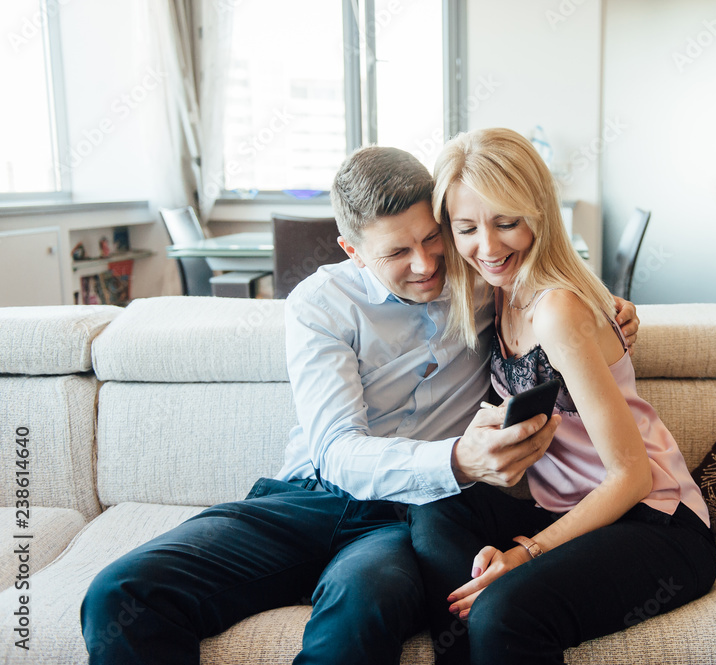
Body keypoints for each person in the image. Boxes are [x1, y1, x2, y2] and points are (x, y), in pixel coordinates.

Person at [81, 145, 638, 665]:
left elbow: (552, 289)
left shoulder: (479, 276)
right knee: (119, 594)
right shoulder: (320, 305)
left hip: (407, 518)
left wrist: (611, 306)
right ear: (353, 251)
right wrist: (458, 462)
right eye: (396, 251)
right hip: (307, 499)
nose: (425, 265)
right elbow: (336, 451)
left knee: (361, 612)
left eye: (431, 239)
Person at [408, 128, 716, 665]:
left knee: (508, 613)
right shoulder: (492, 294)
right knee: (434, 508)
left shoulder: (557, 311)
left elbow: (632, 477)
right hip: (567, 511)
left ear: (539, 214)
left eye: (507, 222)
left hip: (655, 521)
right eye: (466, 228)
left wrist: (526, 553)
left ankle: (492, 607)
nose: (488, 246)